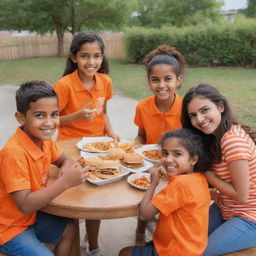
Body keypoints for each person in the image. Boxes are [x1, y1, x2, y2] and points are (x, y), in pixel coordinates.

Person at [0, 81, 89, 256]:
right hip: (8, 228)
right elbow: (25, 204)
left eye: (54, 114)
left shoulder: (44, 141)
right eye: (40, 115)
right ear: (21, 117)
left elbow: (65, 159)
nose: (49, 123)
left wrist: (66, 166)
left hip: (31, 218)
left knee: (70, 228)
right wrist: (64, 182)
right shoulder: (13, 153)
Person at [54, 31, 119, 256]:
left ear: (102, 58)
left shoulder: (106, 81)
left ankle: (93, 245)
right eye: (84, 56)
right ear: (74, 57)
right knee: (74, 198)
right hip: (69, 148)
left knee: (95, 199)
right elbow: (51, 121)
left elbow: (104, 112)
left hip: (98, 147)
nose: (91, 62)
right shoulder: (63, 85)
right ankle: (71, 244)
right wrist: (77, 116)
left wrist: (110, 131)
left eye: (96, 56)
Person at [182, 83, 256, 256]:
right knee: (183, 235)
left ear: (221, 107)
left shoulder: (232, 141)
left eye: (205, 110)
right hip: (225, 207)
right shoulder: (215, 135)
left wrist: (207, 175)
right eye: (193, 115)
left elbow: (242, 195)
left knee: (201, 253)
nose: (199, 119)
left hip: (249, 217)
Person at [119, 128, 211, 256]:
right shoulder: (199, 178)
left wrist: (153, 183)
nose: (168, 160)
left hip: (175, 251)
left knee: (124, 253)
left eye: (177, 154)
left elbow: (144, 214)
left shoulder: (180, 184)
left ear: (193, 159)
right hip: (192, 246)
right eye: (165, 153)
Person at [133, 44, 186, 243]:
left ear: (178, 80)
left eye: (168, 79)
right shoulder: (142, 106)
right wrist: (136, 146)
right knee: (142, 194)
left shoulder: (185, 107)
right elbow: (141, 135)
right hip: (149, 163)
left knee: (170, 203)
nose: (161, 85)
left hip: (177, 165)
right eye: (155, 80)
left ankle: (166, 232)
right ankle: (140, 229)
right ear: (148, 82)